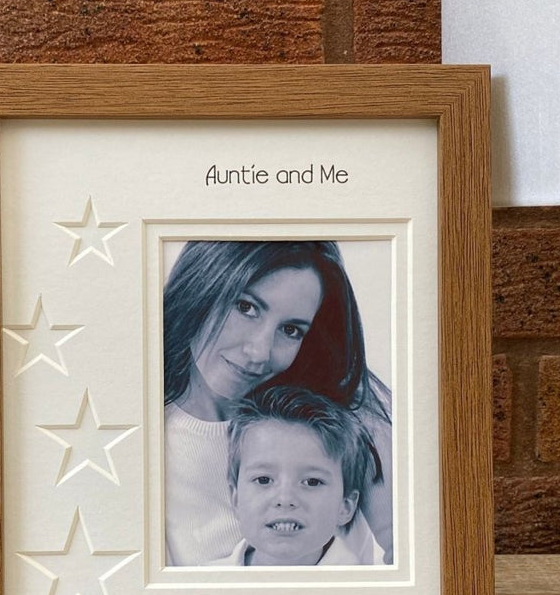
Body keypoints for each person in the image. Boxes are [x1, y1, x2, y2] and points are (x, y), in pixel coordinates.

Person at [163, 239, 391, 566]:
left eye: (291, 330)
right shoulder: (142, 439)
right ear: (201, 286)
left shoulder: (346, 409)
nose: (260, 352)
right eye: (246, 307)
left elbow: (420, 557)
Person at [211, 386, 387, 566]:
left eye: (312, 482)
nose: (285, 499)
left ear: (346, 506)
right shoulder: (205, 581)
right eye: (264, 480)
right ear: (236, 498)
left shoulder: (364, 587)